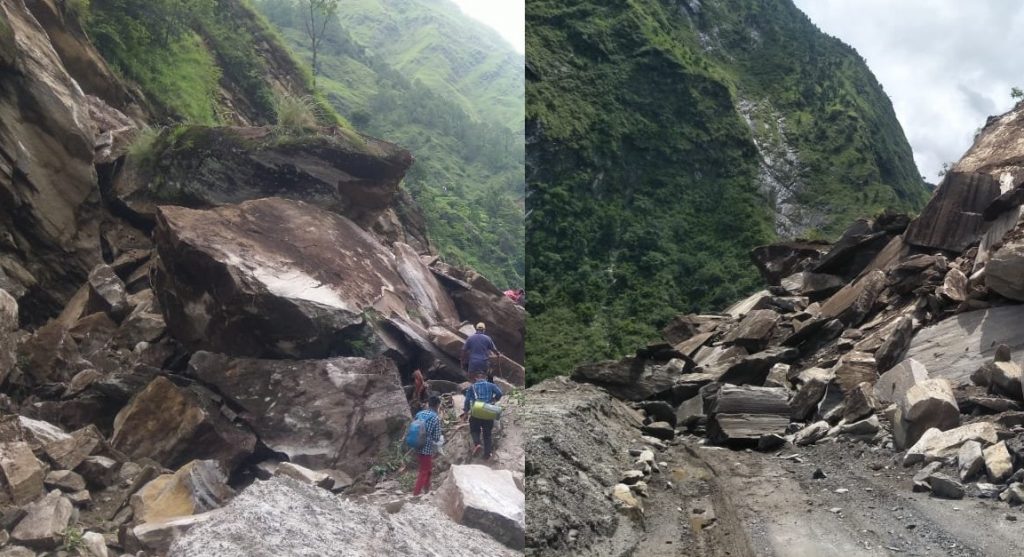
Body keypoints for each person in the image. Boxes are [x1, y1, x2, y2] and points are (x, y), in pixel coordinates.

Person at [462, 369, 503, 460]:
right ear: (485, 377)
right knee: (487, 434)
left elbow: (467, 401)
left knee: (474, 430)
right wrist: (494, 400)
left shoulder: (472, 387)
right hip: (488, 411)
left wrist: (465, 413)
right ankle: (487, 454)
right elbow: (500, 393)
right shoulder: (491, 385)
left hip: (476, 411)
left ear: (476, 378)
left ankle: (477, 444)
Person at [412, 394, 443, 496]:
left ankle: (427, 490)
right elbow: (437, 437)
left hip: (416, 443)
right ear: (437, 405)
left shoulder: (419, 414)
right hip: (426, 447)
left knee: (428, 469)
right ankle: (416, 494)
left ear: (429, 404)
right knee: (424, 471)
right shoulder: (435, 418)